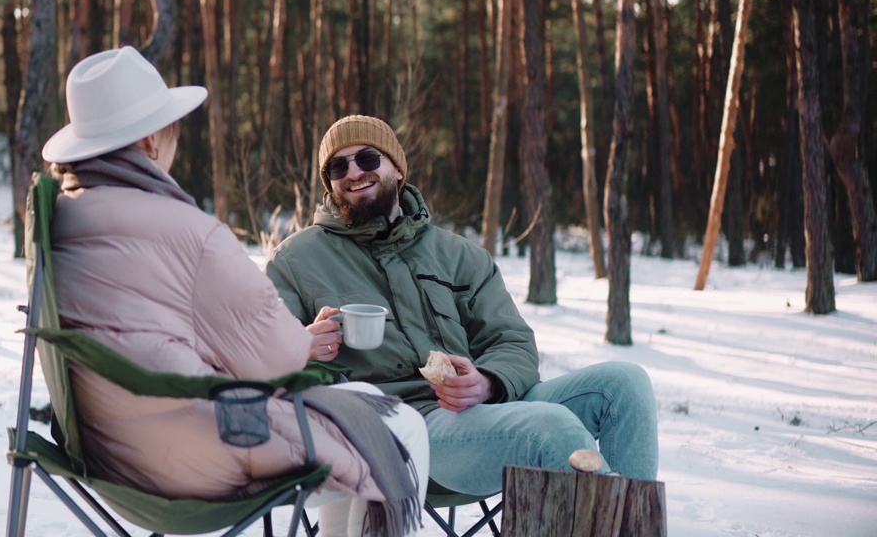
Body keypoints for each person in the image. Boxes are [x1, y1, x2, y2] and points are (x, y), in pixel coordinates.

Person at [40, 48, 428, 537]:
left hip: (110, 451)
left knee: (360, 414)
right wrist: (303, 341)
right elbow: (275, 360)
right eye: (172, 128)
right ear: (149, 142)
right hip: (191, 455)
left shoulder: (65, 221)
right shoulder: (185, 230)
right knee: (398, 427)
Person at [266, 114, 658, 498]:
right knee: (549, 427)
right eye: (337, 166)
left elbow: (514, 342)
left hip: (488, 410)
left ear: (397, 169)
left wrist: (487, 381)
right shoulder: (296, 261)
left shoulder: (458, 254)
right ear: (329, 184)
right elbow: (248, 363)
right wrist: (298, 347)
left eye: (368, 158)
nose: (353, 172)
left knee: (625, 384)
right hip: (401, 428)